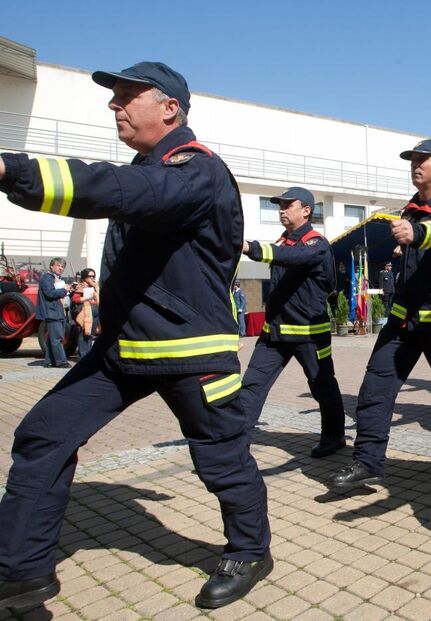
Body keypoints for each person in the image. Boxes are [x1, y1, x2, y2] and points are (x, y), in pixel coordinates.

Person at [0, 61, 271, 611]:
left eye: (127, 96)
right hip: (120, 352)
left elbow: (127, 191)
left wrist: (14, 171)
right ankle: (21, 572)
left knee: (221, 458)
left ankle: (250, 550)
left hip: (188, 354)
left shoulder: (194, 170)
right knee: (43, 437)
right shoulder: (150, 168)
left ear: (169, 108)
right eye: (114, 98)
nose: (114, 105)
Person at [327, 139, 431, 490]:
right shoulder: (409, 209)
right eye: (411, 160)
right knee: (375, 389)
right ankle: (367, 461)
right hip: (403, 321)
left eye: (421, 159)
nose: (414, 164)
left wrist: (420, 232)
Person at [241, 186, 346, 458]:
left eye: (288, 205)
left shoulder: (316, 244)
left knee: (322, 386)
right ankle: (235, 441)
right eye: (280, 205)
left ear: (306, 210)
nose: (282, 209)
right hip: (273, 335)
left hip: (309, 335)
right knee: (252, 385)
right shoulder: (282, 243)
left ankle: (334, 437)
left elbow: (293, 258)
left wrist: (249, 247)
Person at [35, 258, 71, 368]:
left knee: (53, 338)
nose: (61, 268)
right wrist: (65, 290)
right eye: (58, 265)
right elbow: (49, 294)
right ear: (52, 266)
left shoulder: (55, 278)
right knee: (57, 338)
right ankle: (61, 362)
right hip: (52, 312)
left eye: (63, 267)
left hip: (58, 311)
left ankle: (49, 361)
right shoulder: (47, 278)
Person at [72, 268, 100, 358]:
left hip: (95, 310)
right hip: (86, 311)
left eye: (93, 276)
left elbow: (100, 298)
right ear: (84, 277)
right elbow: (75, 299)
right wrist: (88, 298)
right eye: (90, 276)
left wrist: (96, 288)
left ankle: (88, 354)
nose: (92, 278)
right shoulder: (81, 287)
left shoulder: (94, 287)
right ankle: (83, 354)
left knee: (91, 334)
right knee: (84, 333)